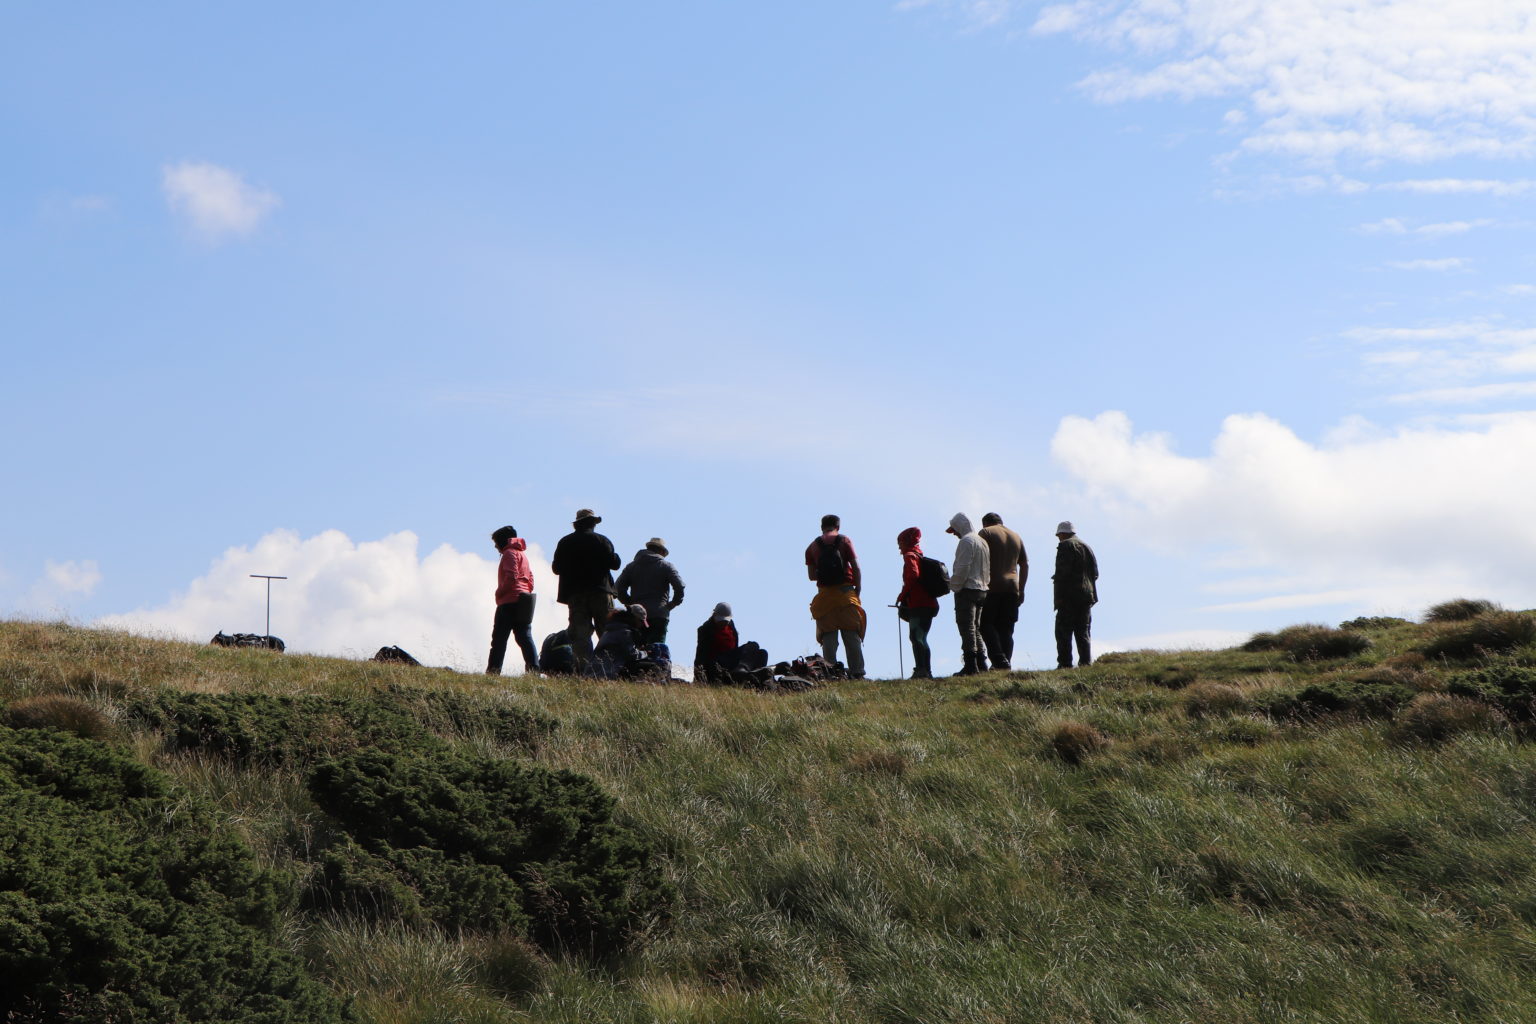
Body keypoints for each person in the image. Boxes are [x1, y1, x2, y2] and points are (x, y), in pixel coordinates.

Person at [550, 508, 620, 673]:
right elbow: (615, 564)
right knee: (607, 632)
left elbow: (556, 568)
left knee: (580, 635)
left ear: (576, 524)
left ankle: (584, 671)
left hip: (576, 595)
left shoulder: (565, 542)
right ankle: (608, 670)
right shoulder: (602, 540)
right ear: (592, 523)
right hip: (601, 592)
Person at [805, 514, 866, 679]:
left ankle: (829, 673)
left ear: (821, 527)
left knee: (829, 639)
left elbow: (811, 576)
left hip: (825, 598)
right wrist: (858, 589)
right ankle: (857, 672)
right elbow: (856, 567)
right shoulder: (844, 541)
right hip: (846, 594)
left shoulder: (812, 547)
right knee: (851, 636)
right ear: (838, 527)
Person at [486, 525, 539, 675]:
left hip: (508, 602)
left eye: (496, 542)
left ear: (503, 541)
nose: (495, 546)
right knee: (524, 637)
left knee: (499, 640)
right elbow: (531, 579)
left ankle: (493, 672)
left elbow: (511, 576)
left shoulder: (509, 553)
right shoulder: (523, 555)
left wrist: (499, 592)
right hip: (524, 601)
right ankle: (534, 670)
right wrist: (525, 591)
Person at [978, 513, 1029, 671]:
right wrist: (1022, 589)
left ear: (985, 523)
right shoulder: (1016, 536)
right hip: (1012, 587)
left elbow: (979, 558)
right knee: (1006, 628)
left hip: (992, 585)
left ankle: (999, 660)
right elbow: (1025, 564)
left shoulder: (986, 532)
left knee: (985, 624)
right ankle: (1004, 663)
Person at [616, 537, 685, 644]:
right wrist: (673, 604)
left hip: (636, 617)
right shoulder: (666, 566)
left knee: (637, 649)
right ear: (661, 551)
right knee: (656, 649)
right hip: (659, 614)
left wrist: (630, 604)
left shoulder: (631, 567)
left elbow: (618, 587)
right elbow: (680, 586)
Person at [947, 513, 991, 676]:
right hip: (982, 588)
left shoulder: (966, 541)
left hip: (968, 589)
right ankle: (982, 662)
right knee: (976, 628)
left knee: (967, 628)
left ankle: (971, 665)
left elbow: (963, 567)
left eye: (954, 530)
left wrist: (954, 586)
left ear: (960, 526)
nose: (954, 534)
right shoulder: (982, 541)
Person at [1052, 520, 1098, 669]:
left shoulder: (1066, 545)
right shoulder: (1087, 547)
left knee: (1063, 631)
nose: (1058, 538)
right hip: (1087, 596)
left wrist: (1058, 597)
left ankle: (1065, 664)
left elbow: (1062, 573)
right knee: (1083, 631)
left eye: (1059, 535)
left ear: (1062, 533)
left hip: (1069, 596)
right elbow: (1095, 573)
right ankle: (1085, 663)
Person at [895, 527, 939, 679]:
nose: (899, 547)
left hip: (919, 604)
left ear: (906, 542)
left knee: (916, 637)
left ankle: (922, 670)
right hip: (928, 603)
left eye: (900, 543)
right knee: (921, 637)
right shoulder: (919, 555)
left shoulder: (910, 556)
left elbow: (913, 575)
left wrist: (902, 595)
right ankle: (925, 670)